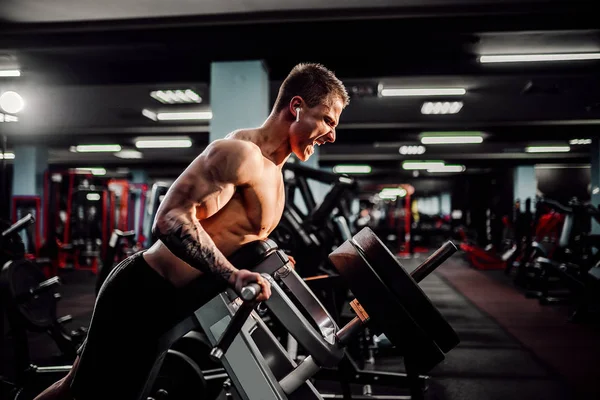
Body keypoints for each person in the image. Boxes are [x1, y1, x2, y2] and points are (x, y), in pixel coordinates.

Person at [34, 62, 350, 400]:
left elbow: (231, 235)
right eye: (328, 120)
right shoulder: (240, 154)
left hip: (172, 303)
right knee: (84, 391)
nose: (332, 134)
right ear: (297, 106)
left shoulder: (275, 173)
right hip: (141, 293)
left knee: (86, 389)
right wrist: (233, 276)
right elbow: (171, 219)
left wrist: (264, 260)